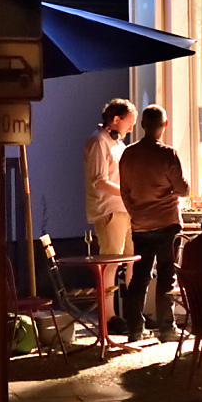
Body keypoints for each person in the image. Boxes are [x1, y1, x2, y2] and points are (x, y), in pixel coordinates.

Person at [119, 104, 190, 343]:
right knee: (167, 275)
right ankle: (167, 329)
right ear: (165, 125)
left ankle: (134, 329)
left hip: (140, 225)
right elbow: (183, 189)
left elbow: (125, 192)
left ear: (142, 125)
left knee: (139, 277)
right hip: (168, 223)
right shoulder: (168, 154)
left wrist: (136, 212)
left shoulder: (128, 154)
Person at [83, 98, 138, 328]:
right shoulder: (98, 143)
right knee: (111, 263)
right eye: (129, 123)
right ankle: (108, 316)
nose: (130, 128)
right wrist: (128, 193)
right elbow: (99, 181)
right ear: (116, 120)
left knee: (132, 260)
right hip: (110, 210)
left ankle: (134, 312)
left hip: (124, 210)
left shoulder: (117, 144)